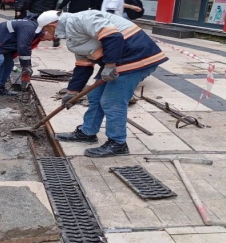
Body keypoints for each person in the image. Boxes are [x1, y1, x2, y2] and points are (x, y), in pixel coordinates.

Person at [35, 10, 168, 157]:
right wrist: (72, 92)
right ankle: (88, 133)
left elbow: (113, 36)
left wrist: (110, 65)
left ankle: (118, 144)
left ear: (53, 25)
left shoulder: (80, 19)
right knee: (95, 96)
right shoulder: (74, 37)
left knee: (112, 101)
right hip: (119, 59)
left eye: (45, 29)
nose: (45, 34)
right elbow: (83, 66)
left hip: (136, 56)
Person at [0, 17, 57, 99]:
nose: (52, 39)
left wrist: (27, 65)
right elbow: (23, 47)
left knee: (8, 64)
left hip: (1, 42)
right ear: (48, 29)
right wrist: (26, 66)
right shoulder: (29, 27)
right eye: (53, 35)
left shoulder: (34, 28)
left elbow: (26, 49)